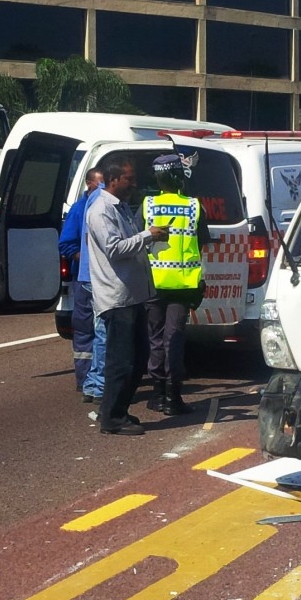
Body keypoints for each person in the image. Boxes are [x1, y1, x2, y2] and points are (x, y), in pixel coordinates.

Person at [84, 160, 169, 436]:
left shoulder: (120, 208)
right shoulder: (100, 210)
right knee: (121, 361)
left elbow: (129, 243)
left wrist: (150, 239)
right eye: (129, 180)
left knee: (138, 356)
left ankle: (118, 410)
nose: (133, 185)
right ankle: (111, 418)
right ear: (113, 180)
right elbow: (115, 249)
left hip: (133, 295)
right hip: (116, 297)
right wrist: (147, 235)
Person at [143, 152, 210, 416]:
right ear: (179, 177)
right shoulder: (194, 206)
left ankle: (158, 394)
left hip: (153, 283)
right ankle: (173, 396)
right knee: (174, 338)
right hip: (183, 284)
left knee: (156, 338)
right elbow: (203, 240)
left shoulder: (147, 205)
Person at [58, 168, 104, 401]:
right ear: (89, 184)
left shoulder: (107, 207)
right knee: (87, 332)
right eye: (100, 185)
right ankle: (85, 381)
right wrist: (85, 257)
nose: (103, 189)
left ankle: (95, 382)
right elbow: (66, 244)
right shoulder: (79, 209)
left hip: (101, 278)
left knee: (102, 333)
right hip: (84, 279)